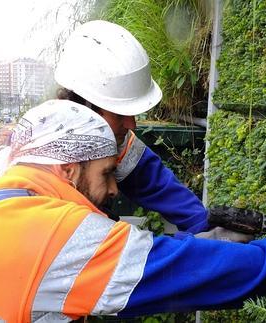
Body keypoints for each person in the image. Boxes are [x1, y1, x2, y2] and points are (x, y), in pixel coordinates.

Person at [0, 100, 266, 321]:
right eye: (108, 174)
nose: (115, 189)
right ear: (69, 170)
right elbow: (165, 269)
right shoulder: (45, 229)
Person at [54, 20, 210, 234]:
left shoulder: (118, 143)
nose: (131, 125)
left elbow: (166, 192)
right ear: (85, 107)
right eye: (120, 114)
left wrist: (208, 231)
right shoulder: (39, 169)